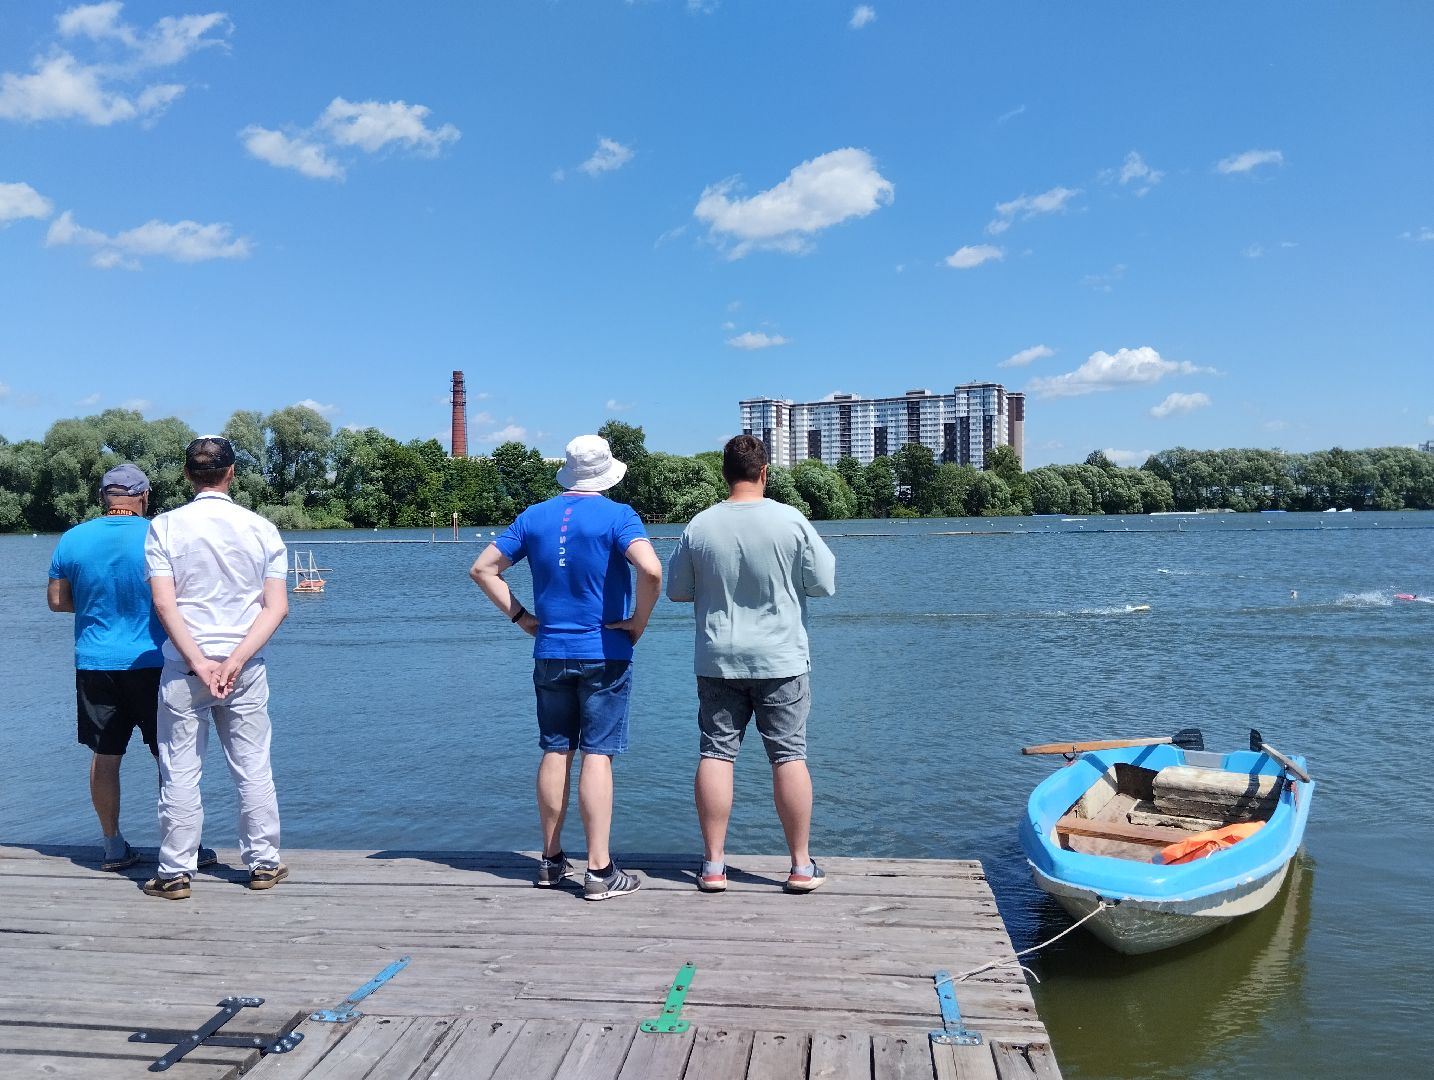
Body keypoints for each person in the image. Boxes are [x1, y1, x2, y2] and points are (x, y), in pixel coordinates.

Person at [469, 434, 661, 901]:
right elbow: (652, 570)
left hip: (550, 650)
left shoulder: (534, 516)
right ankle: (599, 871)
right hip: (605, 651)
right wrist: (638, 622)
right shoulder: (619, 515)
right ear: (606, 473)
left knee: (556, 750)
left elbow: (482, 569)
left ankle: (551, 861)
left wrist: (522, 618)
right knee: (597, 754)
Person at [666, 435, 837, 894]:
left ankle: (713, 866)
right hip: (781, 659)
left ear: (725, 474)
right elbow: (824, 584)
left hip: (718, 659)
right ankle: (800, 866)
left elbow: (677, 590)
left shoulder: (700, 525)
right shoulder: (791, 520)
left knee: (716, 754)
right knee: (789, 756)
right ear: (764, 472)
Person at [46, 464, 214, 874]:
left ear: (104, 497)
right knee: (170, 757)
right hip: (157, 662)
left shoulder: (72, 538)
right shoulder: (160, 534)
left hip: (95, 663)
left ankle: (112, 846)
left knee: (105, 756)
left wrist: (94, 604)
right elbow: (183, 596)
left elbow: (57, 601)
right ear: (144, 496)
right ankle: (185, 847)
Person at [141, 436, 289, 900]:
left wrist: (200, 662)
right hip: (246, 667)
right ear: (231, 473)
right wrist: (235, 660)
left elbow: (165, 604)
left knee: (180, 771)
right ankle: (264, 864)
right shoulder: (262, 528)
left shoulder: (164, 527)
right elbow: (276, 608)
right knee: (253, 767)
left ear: (188, 474)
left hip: (185, 669)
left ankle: (174, 872)